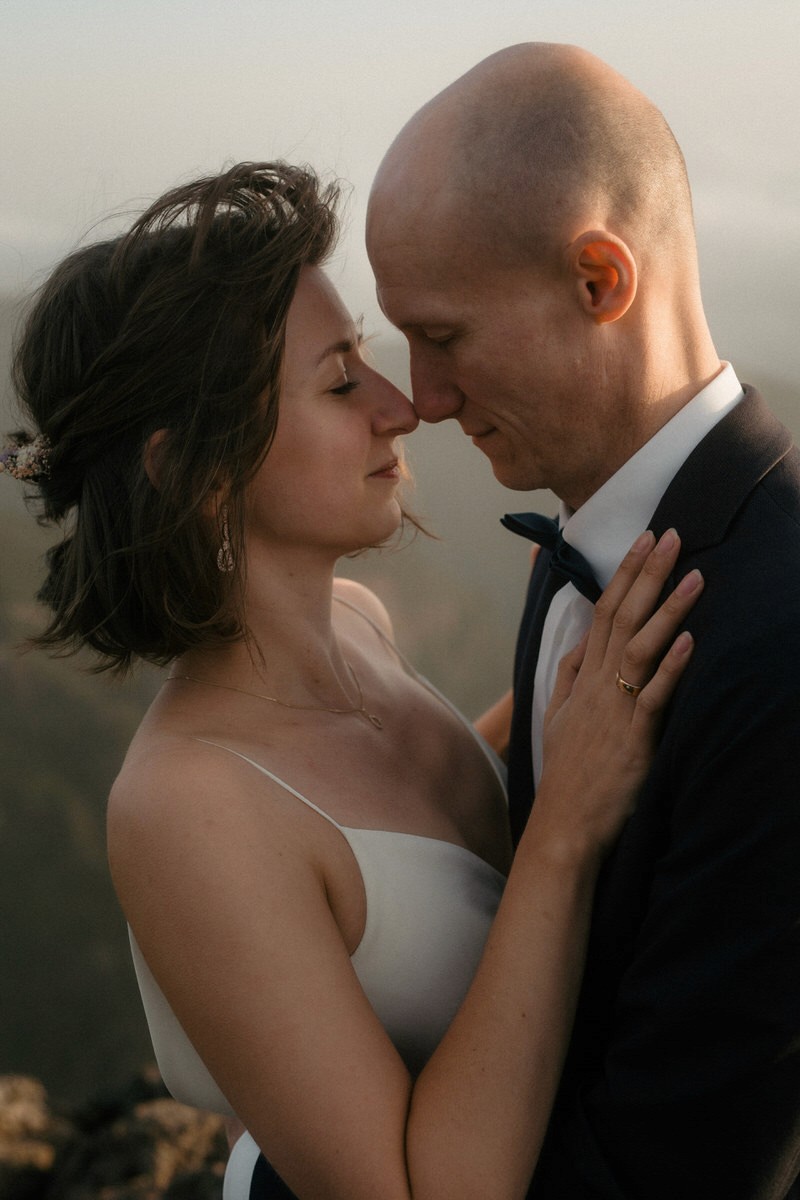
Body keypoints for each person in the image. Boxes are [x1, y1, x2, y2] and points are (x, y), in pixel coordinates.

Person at [3, 160, 702, 1200]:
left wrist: (567, 661)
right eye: (338, 383)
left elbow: (383, 865)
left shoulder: (356, 624)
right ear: (190, 470)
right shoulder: (181, 806)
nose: (400, 407)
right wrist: (560, 840)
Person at [366, 42, 800, 1200]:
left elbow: (683, 1166)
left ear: (600, 281)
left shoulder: (780, 638)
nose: (419, 397)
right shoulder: (589, 534)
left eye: (444, 337)